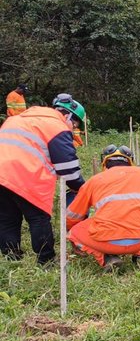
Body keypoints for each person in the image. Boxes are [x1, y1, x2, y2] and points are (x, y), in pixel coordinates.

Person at [0, 95, 85, 265]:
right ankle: (46, 260)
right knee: (38, 218)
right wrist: (82, 188)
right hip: (25, 175)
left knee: (7, 218)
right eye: (75, 124)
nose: (73, 128)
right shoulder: (57, 126)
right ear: (68, 116)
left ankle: (12, 258)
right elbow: (67, 167)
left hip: (2, 175)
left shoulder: (16, 119)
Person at [66, 145, 140, 271]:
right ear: (130, 161)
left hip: (108, 242)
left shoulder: (95, 180)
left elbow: (73, 216)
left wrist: (70, 227)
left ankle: (107, 259)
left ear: (104, 162)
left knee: (74, 232)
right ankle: (138, 255)